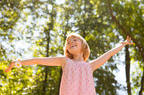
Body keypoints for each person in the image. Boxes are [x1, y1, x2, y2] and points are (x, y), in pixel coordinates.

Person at [4, 33, 133, 95]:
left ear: (83, 45)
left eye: (74, 40)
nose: (71, 42)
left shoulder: (90, 66)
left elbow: (108, 54)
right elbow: (38, 60)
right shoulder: (65, 61)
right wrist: (18, 63)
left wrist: (123, 44)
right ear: (67, 49)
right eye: (68, 42)